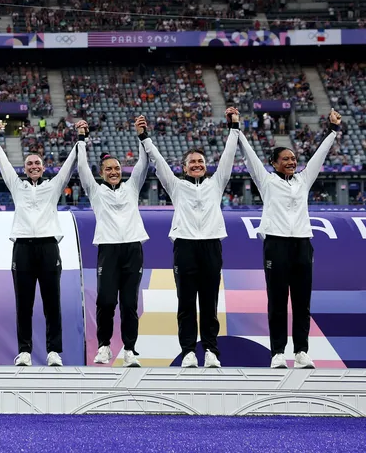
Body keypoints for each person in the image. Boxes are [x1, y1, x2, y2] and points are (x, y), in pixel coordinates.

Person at [238, 109, 343, 370]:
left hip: (302, 245)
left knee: (301, 302)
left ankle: (301, 351)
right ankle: (277, 353)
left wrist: (332, 130)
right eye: (285, 159)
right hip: (276, 244)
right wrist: (237, 131)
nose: (291, 162)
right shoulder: (266, 180)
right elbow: (250, 158)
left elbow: (318, 158)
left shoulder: (303, 180)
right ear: (274, 163)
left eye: (294, 158)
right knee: (277, 301)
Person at [142, 108, 241, 369]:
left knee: (209, 303)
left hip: (211, 246)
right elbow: (159, 163)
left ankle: (210, 351)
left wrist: (234, 127)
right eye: (192, 162)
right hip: (184, 247)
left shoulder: (216, 183)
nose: (197, 165)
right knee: (186, 303)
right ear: (183, 168)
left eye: (200, 162)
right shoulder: (176, 186)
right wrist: (145, 137)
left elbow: (229, 157)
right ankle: (188, 351)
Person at [0, 127, 77, 367]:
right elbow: (3, 165)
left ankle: (53, 351)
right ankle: (25, 351)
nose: (33, 166)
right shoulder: (17, 186)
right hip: (22, 248)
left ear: (43, 166)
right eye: (29, 163)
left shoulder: (52, 186)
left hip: (49, 246)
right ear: (25, 168)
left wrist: (80, 140)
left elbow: (68, 166)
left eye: (37, 163)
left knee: (52, 302)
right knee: (24, 303)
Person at [75, 116, 150, 368]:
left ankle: (130, 350)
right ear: (101, 173)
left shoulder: (132, 188)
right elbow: (82, 167)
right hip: (108, 250)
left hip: (133, 249)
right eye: (109, 169)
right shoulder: (95, 191)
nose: (114, 172)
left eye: (117, 168)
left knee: (129, 303)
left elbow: (143, 163)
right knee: (106, 301)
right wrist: (82, 140)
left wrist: (142, 136)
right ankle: (104, 347)